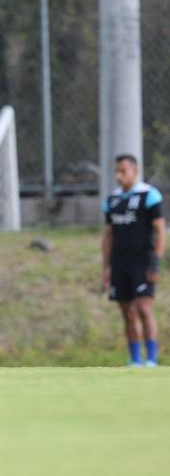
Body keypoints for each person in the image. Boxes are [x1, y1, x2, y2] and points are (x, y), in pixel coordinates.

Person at [102, 154, 165, 367]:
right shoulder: (112, 200)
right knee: (127, 311)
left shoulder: (149, 195)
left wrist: (156, 261)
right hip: (120, 264)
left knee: (143, 308)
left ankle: (152, 358)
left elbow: (159, 230)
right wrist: (106, 267)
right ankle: (135, 359)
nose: (119, 176)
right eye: (117, 172)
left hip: (142, 262)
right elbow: (108, 234)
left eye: (123, 171)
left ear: (135, 171)